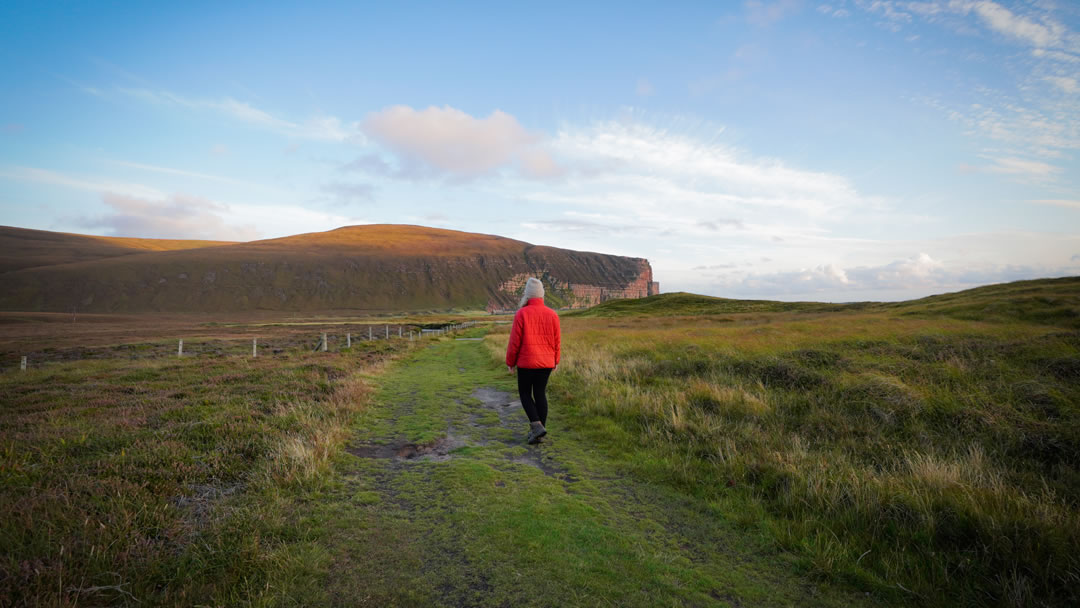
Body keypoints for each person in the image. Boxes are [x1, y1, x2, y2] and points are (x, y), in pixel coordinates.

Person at [505, 277, 561, 444]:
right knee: (540, 394)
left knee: (524, 393)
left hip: (526, 363)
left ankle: (537, 427)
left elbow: (514, 341)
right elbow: (557, 341)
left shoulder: (521, 313)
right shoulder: (552, 314)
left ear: (527, 295)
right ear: (541, 295)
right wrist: (556, 360)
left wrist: (510, 362)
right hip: (546, 363)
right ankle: (539, 431)